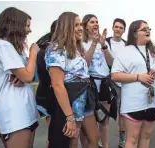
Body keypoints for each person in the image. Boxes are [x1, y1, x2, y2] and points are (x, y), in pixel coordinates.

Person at [45, 12, 99, 148]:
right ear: (66, 27)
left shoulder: (76, 49)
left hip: (85, 99)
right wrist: (69, 117)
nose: (80, 28)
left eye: (81, 24)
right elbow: (57, 85)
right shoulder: (56, 49)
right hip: (71, 102)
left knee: (94, 138)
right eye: (76, 25)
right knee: (72, 142)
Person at [111, 20, 155, 148]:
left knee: (146, 136)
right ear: (135, 33)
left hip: (152, 102)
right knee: (132, 139)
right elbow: (114, 75)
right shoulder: (126, 52)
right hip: (133, 103)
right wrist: (138, 77)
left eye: (149, 28)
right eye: (144, 29)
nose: (148, 31)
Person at [0, 7, 39, 148]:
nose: (29, 30)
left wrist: (21, 75)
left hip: (25, 111)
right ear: (15, 25)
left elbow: (26, 73)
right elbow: (28, 76)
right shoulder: (2, 46)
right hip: (15, 115)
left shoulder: (13, 48)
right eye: (27, 26)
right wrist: (33, 52)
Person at [82, 14, 115, 148]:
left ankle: (105, 146)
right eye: (92, 22)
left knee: (104, 120)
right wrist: (94, 43)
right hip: (90, 84)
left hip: (104, 83)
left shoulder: (104, 42)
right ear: (85, 26)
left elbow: (112, 63)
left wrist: (103, 46)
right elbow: (85, 64)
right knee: (88, 121)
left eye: (97, 22)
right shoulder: (81, 42)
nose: (95, 24)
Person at [105, 18, 127, 148]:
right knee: (105, 113)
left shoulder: (127, 45)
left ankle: (122, 141)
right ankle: (103, 140)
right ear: (113, 28)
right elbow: (108, 62)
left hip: (123, 84)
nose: (118, 29)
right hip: (109, 83)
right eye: (116, 27)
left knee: (123, 114)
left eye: (121, 28)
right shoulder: (106, 42)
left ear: (124, 30)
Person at [36, 20, 57, 147]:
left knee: (53, 135)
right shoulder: (48, 50)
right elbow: (47, 77)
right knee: (53, 136)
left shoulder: (45, 47)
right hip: (50, 97)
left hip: (48, 95)